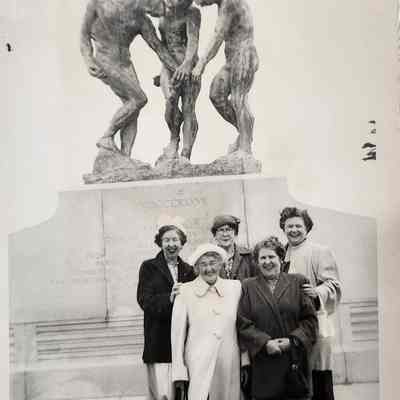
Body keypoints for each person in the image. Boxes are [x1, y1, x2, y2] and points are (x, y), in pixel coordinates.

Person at [80, 0, 182, 158]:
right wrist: (88, 59)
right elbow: (84, 34)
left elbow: (158, 48)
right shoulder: (100, 3)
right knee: (139, 99)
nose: (162, 11)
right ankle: (107, 136)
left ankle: (125, 156)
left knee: (132, 109)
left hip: (125, 64)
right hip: (105, 59)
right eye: (161, 5)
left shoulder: (142, 20)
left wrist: (178, 70)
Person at [237, 236, 318, 400]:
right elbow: (243, 323)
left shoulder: (298, 281)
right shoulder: (247, 286)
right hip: (263, 362)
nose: (267, 262)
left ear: (281, 258)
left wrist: (292, 341)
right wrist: (264, 343)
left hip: (293, 360)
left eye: (271, 257)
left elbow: (310, 321)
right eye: (263, 258)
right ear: (257, 262)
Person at [279, 207, 342, 400]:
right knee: (297, 382)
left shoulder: (319, 252)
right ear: (283, 228)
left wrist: (317, 292)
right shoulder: (281, 254)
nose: (294, 230)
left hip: (316, 324)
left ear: (307, 227)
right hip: (290, 327)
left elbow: (333, 284)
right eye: (289, 226)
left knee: (318, 379)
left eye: (298, 226)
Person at [171, 243, 242, 400]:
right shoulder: (185, 291)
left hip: (229, 361)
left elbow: (242, 327)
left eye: (212, 263)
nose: (208, 268)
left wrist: (245, 360)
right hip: (198, 363)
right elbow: (177, 336)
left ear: (220, 265)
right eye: (203, 264)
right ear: (196, 268)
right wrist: (179, 372)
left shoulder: (235, 288)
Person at [137, 218, 196, 400]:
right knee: (163, 394)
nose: (171, 244)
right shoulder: (149, 267)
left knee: (184, 394)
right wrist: (169, 298)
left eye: (175, 239)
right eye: (166, 240)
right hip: (159, 342)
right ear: (160, 243)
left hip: (184, 343)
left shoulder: (189, 270)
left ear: (182, 243)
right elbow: (144, 300)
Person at [192, 0, 259, 154]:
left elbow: (218, 35)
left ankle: (245, 148)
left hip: (243, 55)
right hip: (232, 59)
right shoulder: (223, 5)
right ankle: (245, 133)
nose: (198, 2)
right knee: (216, 94)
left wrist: (201, 63)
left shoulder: (230, 3)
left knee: (238, 100)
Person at [157, 0, 201, 160]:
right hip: (168, 66)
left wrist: (187, 64)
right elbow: (163, 46)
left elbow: (193, 40)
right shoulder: (163, 15)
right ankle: (174, 139)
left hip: (188, 65)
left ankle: (186, 153)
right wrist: (162, 70)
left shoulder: (191, 12)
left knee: (188, 108)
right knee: (170, 102)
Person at [211, 215, 257, 281]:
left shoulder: (248, 256)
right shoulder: (210, 256)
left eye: (228, 230)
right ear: (215, 235)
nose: (225, 234)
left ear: (235, 233)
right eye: (221, 230)